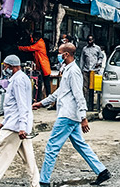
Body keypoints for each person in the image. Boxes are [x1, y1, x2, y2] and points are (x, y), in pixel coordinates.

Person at [33, 43, 110, 187]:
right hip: (70, 115)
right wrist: (42, 103)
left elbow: (78, 95)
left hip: (67, 115)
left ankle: (44, 181)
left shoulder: (74, 71)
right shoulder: (68, 69)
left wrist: (83, 117)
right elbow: (60, 92)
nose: (58, 55)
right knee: (80, 145)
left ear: (66, 54)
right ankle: (102, 171)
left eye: (59, 53)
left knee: (52, 147)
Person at [0, 55, 38, 187]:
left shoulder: (18, 81)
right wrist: (4, 122)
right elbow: (15, 106)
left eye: (6, 67)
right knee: (29, 159)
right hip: (17, 124)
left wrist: (22, 127)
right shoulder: (22, 78)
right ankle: (36, 184)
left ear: (12, 67)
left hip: (15, 126)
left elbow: (22, 105)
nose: (4, 69)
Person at [18, 32, 52, 97]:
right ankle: (40, 97)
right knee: (40, 82)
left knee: (45, 83)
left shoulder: (39, 43)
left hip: (43, 66)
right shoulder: (39, 42)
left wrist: (19, 48)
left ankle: (47, 97)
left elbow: (30, 48)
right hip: (41, 65)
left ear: (36, 38)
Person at [80, 35, 106, 105]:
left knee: (95, 88)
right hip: (86, 70)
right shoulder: (84, 49)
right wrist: (81, 69)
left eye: (91, 40)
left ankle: (95, 102)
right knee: (85, 87)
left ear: (93, 40)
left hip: (95, 70)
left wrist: (98, 63)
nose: (90, 41)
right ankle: (86, 102)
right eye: (88, 40)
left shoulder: (97, 48)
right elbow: (82, 60)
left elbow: (101, 57)